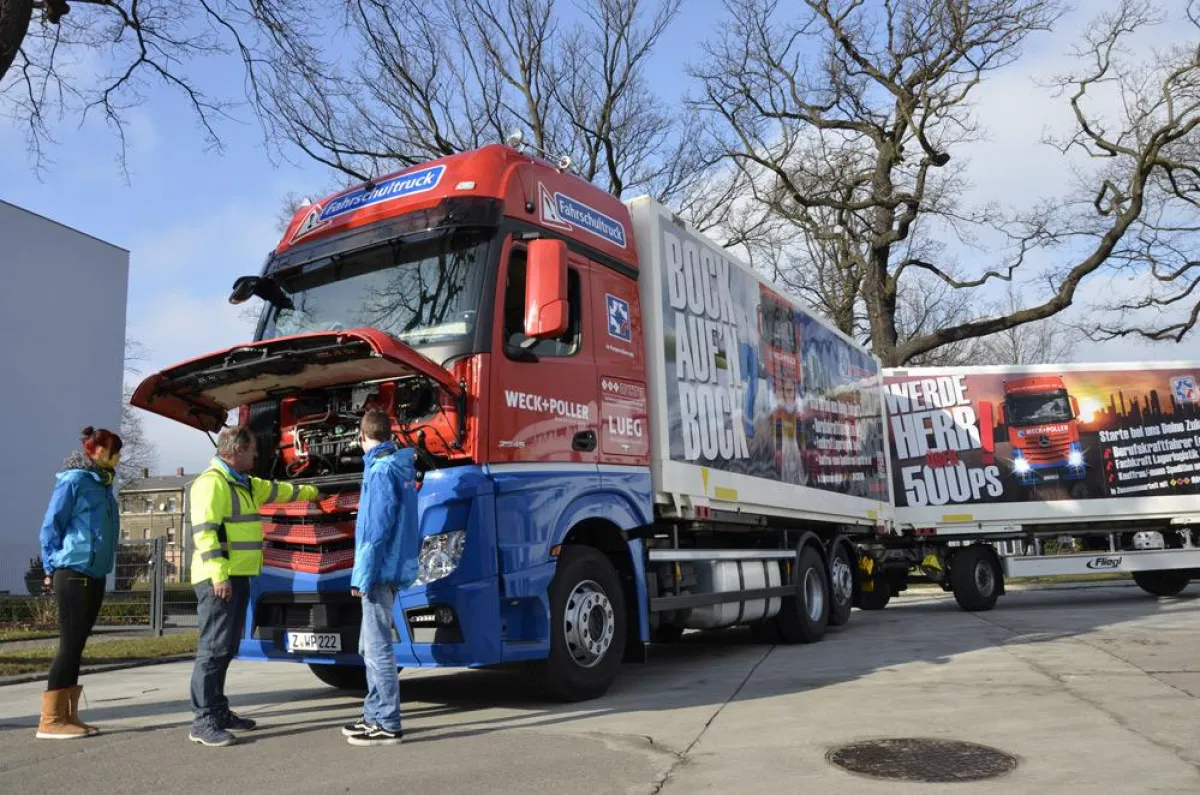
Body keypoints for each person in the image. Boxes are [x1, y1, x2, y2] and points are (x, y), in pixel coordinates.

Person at [187, 426, 322, 747]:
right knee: (213, 649)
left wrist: (313, 493)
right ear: (235, 451)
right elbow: (206, 533)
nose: (256, 455)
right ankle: (203, 721)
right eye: (252, 451)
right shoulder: (212, 484)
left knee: (227, 648)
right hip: (218, 579)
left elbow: (278, 492)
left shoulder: (243, 483)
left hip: (238, 576)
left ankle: (218, 711)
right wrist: (219, 574)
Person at [35, 427, 123, 740]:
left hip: (95, 573)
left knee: (78, 645)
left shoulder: (102, 483)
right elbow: (51, 525)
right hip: (72, 570)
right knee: (69, 645)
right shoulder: (75, 480)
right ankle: (51, 720)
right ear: (99, 451)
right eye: (116, 451)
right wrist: (49, 566)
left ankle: (68, 715)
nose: (119, 457)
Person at [342, 409, 419, 747]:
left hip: (378, 572)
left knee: (377, 649)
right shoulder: (398, 467)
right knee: (367, 645)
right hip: (391, 568)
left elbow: (374, 531)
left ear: (362, 436)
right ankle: (374, 713)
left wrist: (362, 576)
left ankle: (386, 721)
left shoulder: (380, 471)